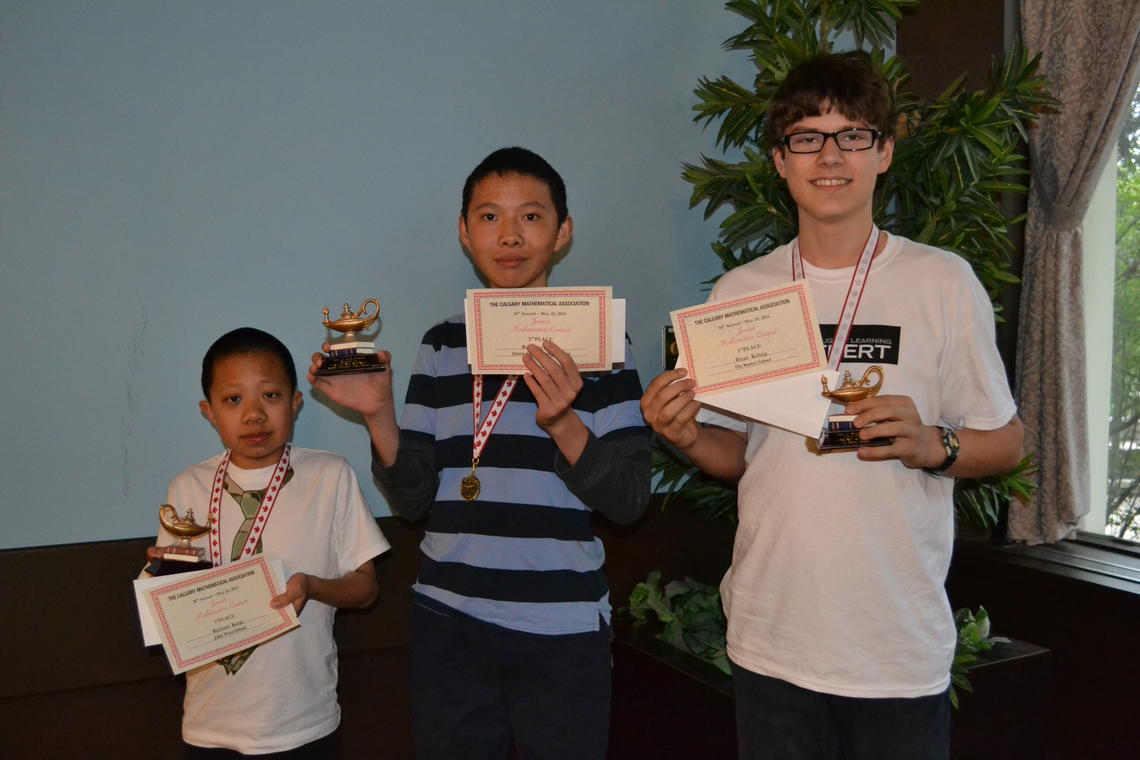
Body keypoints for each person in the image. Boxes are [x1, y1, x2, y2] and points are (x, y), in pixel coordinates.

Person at [640, 52, 1024, 760]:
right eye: (807, 138)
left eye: (852, 135)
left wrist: (933, 444)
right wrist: (684, 434)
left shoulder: (942, 282)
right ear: (779, 161)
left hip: (895, 645)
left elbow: (1007, 442)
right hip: (771, 637)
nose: (830, 156)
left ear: (884, 152)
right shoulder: (738, 293)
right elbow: (735, 457)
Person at [308, 147, 651, 759]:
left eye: (532, 216)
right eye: (489, 217)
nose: (511, 235)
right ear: (465, 233)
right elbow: (413, 500)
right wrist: (378, 414)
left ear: (563, 232)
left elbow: (628, 502)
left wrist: (562, 422)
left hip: (562, 628)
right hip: (450, 623)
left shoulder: (602, 340)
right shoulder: (442, 345)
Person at [145, 326, 390, 758]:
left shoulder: (329, 475)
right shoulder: (188, 487)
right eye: (233, 399)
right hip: (209, 723)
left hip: (301, 722)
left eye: (271, 396)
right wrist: (163, 573)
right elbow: (172, 600)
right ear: (209, 411)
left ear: (296, 403)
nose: (254, 414)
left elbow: (366, 588)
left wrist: (312, 586)